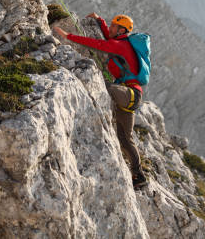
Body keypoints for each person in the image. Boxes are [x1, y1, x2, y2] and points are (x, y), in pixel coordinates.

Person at [53, 13, 147, 189]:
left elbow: (98, 44)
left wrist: (68, 36)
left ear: (122, 30)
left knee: (104, 86)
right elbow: (108, 37)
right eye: (110, 25)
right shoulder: (122, 43)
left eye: (114, 26)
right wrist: (100, 21)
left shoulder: (119, 45)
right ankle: (139, 176)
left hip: (129, 94)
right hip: (131, 97)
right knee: (125, 139)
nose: (110, 28)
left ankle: (138, 174)